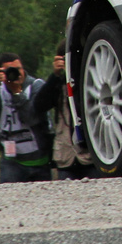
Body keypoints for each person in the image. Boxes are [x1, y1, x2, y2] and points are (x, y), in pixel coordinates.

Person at [0, 52, 51, 181]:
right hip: (11, 161)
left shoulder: (36, 86)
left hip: (38, 160)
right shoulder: (0, 90)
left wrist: (17, 93)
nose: (16, 74)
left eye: (18, 69)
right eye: (9, 71)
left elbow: (32, 118)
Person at [32, 43, 93, 178]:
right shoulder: (58, 84)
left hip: (90, 156)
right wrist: (55, 76)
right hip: (66, 156)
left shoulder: (90, 81)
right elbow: (39, 106)